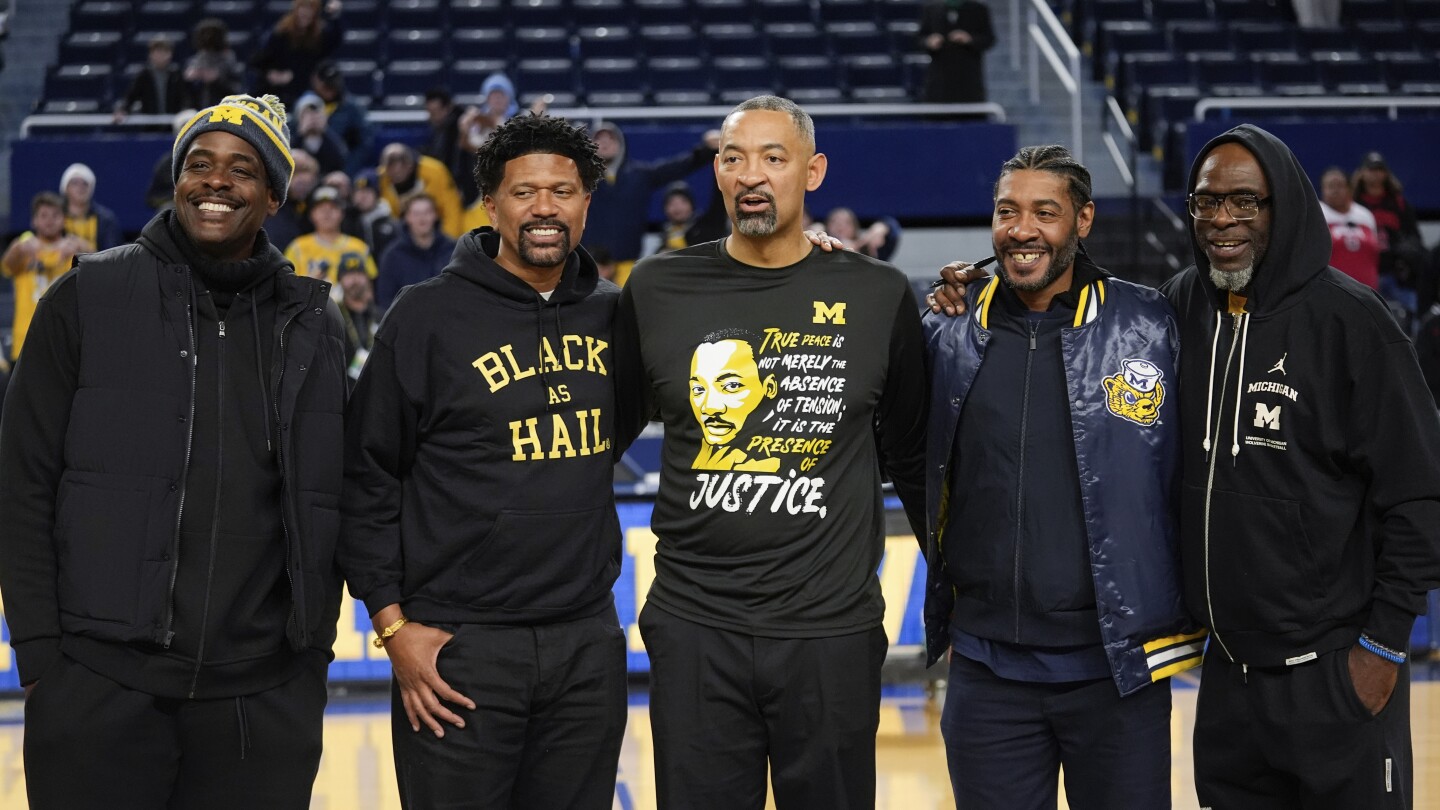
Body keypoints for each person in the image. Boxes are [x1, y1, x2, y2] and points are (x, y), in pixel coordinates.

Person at [929, 124, 1440, 810]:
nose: (1222, 219)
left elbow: (1419, 495)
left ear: (1282, 206)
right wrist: (961, 291)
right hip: (1225, 680)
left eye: (1244, 202)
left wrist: (1383, 646)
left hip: (1324, 670)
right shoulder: (1179, 308)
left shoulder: (1348, 324)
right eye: (1205, 203)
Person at [0, 92, 346, 809]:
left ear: (275, 194)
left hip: (261, 702)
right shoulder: (87, 295)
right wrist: (40, 656)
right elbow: (23, 479)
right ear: (178, 178)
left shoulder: (313, 322)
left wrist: (308, 661)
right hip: (97, 690)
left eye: (242, 169)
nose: (216, 181)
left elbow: (333, 493)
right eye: (199, 162)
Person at [612, 95, 928, 810]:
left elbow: (912, 456)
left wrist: (955, 585)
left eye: (773, 158)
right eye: (733, 157)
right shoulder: (658, 287)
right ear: (717, 174)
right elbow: (601, 437)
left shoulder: (877, 295)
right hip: (695, 628)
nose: (751, 174)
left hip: (830, 634)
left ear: (812, 172)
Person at [339, 112, 627, 809]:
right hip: (458, 648)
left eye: (562, 191)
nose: (545, 208)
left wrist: (813, 249)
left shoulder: (620, 317)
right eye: (524, 192)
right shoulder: (424, 316)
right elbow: (366, 475)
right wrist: (392, 628)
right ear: (490, 204)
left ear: (587, 203)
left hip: (586, 643)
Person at [922, 145, 1200, 810]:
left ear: (1083, 221)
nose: (1022, 229)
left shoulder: (1152, 323)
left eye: (1045, 212)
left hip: (1119, 672)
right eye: (1007, 211)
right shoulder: (948, 329)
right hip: (988, 674)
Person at [586, 121, 720, 284]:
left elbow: (679, 166)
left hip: (628, 265)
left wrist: (706, 150)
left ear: (621, 144)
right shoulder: (580, 178)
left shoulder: (640, 175)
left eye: (610, 139)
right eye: (599, 140)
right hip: (592, 267)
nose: (605, 143)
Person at [2, 192, 88, 361]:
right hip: (25, 340)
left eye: (56, 215)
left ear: (64, 219)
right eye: (43, 215)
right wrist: (18, 248)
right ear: (34, 220)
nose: (49, 220)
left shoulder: (74, 248)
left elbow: (97, 264)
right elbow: (6, 266)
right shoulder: (23, 249)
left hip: (63, 340)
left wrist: (80, 250)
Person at [1353, 151, 1426, 319]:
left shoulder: (1398, 203)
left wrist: (1406, 254)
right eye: (1370, 169)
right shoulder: (1354, 203)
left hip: (1395, 271)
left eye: (1379, 169)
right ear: (1362, 173)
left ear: (1386, 174)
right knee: (1365, 316)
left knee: (1413, 311)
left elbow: (1414, 236)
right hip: (1366, 271)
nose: (1375, 174)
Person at [252, 0, 344, 107]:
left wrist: (335, 17)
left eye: (311, 9)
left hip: (307, 94)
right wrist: (272, 75)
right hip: (280, 94)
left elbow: (335, 41)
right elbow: (258, 62)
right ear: (296, 9)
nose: (306, 12)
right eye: (303, 7)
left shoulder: (320, 36)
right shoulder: (281, 33)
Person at [374, 193, 455, 309]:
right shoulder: (392, 256)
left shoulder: (452, 249)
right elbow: (386, 300)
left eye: (427, 212)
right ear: (407, 218)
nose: (422, 218)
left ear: (435, 215)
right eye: (416, 214)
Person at [284, 184, 376, 285]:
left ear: (342, 213)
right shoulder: (297, 247)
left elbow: (370, 287)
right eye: (321, 209)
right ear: (311, 214)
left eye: (332, 208)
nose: (326, 213)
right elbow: (287, 286)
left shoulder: (359, 248)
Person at [378, 142, 464, 240]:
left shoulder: (435, 171)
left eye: (402, 167)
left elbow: (451, 211)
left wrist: (449, 242)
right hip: (402, 233)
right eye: (391, 168)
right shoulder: (381, 178)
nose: (397, 171)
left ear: (410, 165)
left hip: (437, 228)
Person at [919, 0, 996, 105]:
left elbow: (989, 39)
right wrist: (929, 41)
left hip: (969, 79)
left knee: (970, 116)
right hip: (940, 78)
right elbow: (920, 38)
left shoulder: (979, 9)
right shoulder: (931, 9)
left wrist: (970, 39)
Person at [1319, 166, 1380, 290]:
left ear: (1349, 189)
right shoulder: (1317, 214)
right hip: (1330, 290)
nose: (1335, 190)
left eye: (1339, 185)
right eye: (1330, 186)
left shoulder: (1365, 215)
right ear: (1323, 190)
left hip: (1367, 291)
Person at [310, 59, 375, 176]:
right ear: (316, 82)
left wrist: (346, 171)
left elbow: (364, 144)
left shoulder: (352, 108)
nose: (330, 89)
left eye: (333, 84)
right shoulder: (306, 105)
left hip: (342, 170)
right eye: (326, 85)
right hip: (310, 169)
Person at [114, 35, 192, 122]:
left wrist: (185, 112)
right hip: (149, 125)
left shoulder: (176, 74)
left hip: (172, 125)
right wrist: (122, 110)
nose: (161, 56)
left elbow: (185, 98)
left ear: (170, 54)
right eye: (158, 52)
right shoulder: (144, 75)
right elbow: (130, 97)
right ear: (150, 54)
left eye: (164, 52)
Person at [335, 258, 380, 385]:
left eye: (359, 274)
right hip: (342, 388)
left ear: (368, 279)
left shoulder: (382, 316)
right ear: (339, 280)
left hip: (375, 387)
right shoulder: (333, 317)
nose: (355, 280)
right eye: (348, 275)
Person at [59, 162, 124, 251]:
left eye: (85, 183)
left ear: (91, 188)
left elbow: (114, 256)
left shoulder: (106, 219)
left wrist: (88, 249)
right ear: (65, 188)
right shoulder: (55, 217)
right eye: (74, 182)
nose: (80, 187)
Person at [266, 147, 320, 250]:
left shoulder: (312, 205)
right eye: (295, 173)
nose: (300, 180)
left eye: (304, 171)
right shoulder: (270, 204)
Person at [184, 18, 243, 108]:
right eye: (205, 34)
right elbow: (185, 89)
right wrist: (189, 78)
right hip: (199, 107)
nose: (208, 37)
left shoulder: (228, 59)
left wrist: (218, 79)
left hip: (224, 107)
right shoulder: (196, 59)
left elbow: (237, 88)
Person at [343, 167, 400, 260]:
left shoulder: (391, 224)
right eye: (358, 191)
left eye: (368, 191)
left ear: (377, 195)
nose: (362, 196)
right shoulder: (347, 220)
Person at [823, 206, 901, 262]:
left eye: (847, 222)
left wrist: (881, 228)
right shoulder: (820, 251)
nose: (840, 225)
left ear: (855, 227)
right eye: (834, 221)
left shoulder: (869, 250)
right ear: (826, 227)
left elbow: (892, 226)